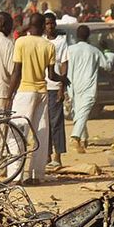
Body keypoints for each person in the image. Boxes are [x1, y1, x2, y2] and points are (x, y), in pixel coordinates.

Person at [6, 13, 58, 183]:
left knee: (18, 132)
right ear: (44, 26)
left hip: (24, 92)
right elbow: (51, 75)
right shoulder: (49, 45)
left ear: (29, 25)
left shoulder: (20, 42)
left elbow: (16, 72)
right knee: (40, 134)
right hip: (42, 91)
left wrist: (8, 96)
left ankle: (15, 176)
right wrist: (63, 79)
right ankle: (36, 175)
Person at [66, 25, 112, 151]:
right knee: (82, 112)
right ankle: (75, 137)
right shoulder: (94, 50)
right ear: (88, 36)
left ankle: (83, 139)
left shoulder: (70, 50)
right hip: (88, 86)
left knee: (79, 112)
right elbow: (107, 66)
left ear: (76, 35)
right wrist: (108, 51)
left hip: (73, 86)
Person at [43, 13, 69, 167]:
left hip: (54, 88)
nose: (50, 26)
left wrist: (61, 87)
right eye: (47, 23)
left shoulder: (61, 42)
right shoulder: (40, 41)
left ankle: (57, 157)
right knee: (43, 124)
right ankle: (46, 155)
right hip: (41, 87)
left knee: (57, 123)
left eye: (52, 23)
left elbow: (64, 64)